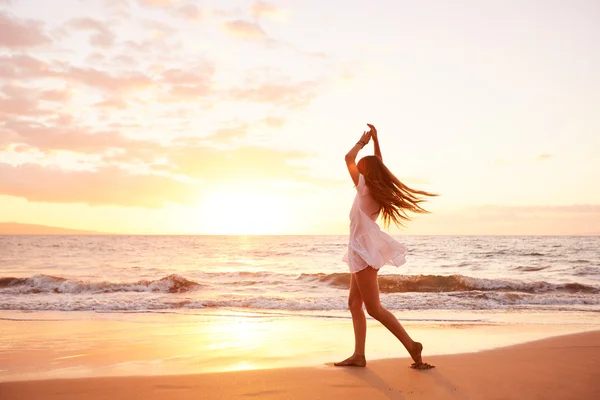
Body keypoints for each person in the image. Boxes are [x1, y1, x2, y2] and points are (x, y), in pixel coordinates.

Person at [335, 124, 437, 370]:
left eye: (361, 169)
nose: (356, 171)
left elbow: (348, 158)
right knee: (353, 304)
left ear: (365, 173)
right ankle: (359, 355)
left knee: (374, 309)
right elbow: (378, 164)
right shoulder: (374, 188)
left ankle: (412, 345)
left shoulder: (365, 188)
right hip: (360, 249)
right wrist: (376, 142)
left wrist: (362, 142)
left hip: (363, 251)